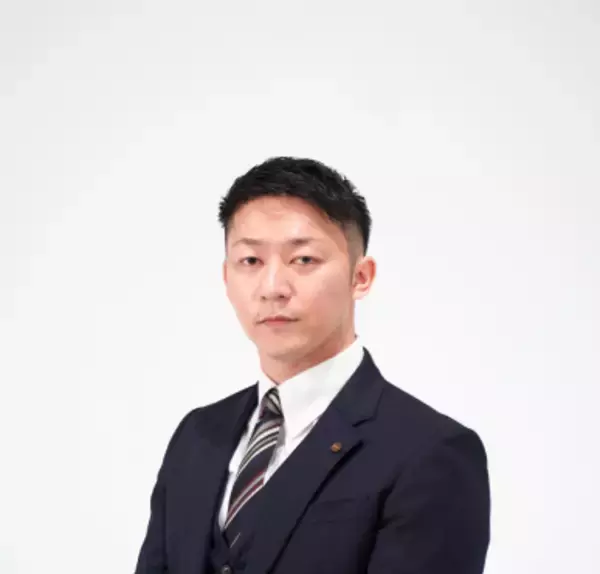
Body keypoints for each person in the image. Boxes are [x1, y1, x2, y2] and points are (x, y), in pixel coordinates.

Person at [134, 156, 491, 574]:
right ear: (227, 278)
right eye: (250, 261)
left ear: (361, 277)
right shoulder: (197, 436)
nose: (272, 288)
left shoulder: (430, 452)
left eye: (303, 260)